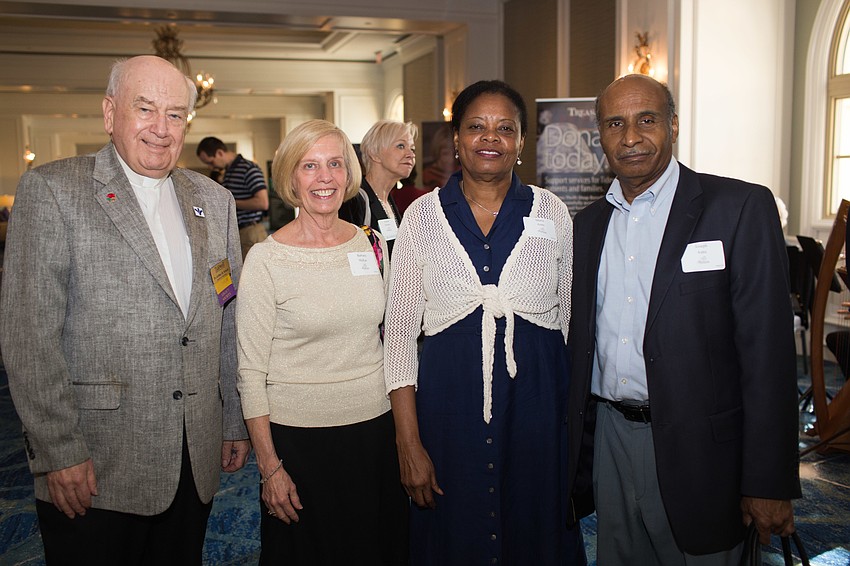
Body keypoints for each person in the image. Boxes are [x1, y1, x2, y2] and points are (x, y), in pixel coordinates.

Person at [0, 55, 250, 565]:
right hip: (95, 465)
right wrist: (57, 450)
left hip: (193, 454)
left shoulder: (214, 200)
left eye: (176, 114)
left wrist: (232, 421)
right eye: (145, 109)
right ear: (110, 113)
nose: (162, 129)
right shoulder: (53, 191)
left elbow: (228, 319)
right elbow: (29, 337)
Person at [566, 74, 801, 565]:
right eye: (615, 124)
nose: (631, 137)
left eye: (646, 120)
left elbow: (768, 355)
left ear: (673, 125)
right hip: (610, 440)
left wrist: (769, 479)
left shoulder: (737, 208)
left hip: (705, 455)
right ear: (600, 138)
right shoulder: (586, 227)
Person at [384, 80, 586, 565]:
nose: (489, 138)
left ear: (521, 142)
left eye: (504, 128)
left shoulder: (552, 212)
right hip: (447, 420)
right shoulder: (422, 218)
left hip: (536, 419)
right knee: (455, 536)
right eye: (476, 127)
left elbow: (569, 322)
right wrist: (408, 442)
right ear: (456, 138)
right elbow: (399, 339)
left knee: (533, 535)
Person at [236, 119, 409, 565]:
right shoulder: (266, 260)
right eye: (310, 166)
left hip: (374, 433)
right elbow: (250, 372)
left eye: (335, 163)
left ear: (350, 173)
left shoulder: (371, 244)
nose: (325, 177)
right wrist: (269, 466)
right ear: (291, 177)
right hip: (298, 444)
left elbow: (391, 337)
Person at [338, 120, 416, 257]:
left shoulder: (389, 201)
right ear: (374, 153)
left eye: (412, 148)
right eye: (401, 146)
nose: (411, 154)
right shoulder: (353, 198)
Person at [197, 136, 270, 258]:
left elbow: (263, 202)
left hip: (251, 231)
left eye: (211, 162)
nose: (210, 167)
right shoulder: (229, 171)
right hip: (239, 231)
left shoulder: (248, 168)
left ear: (220, 153)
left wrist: (230, 203)